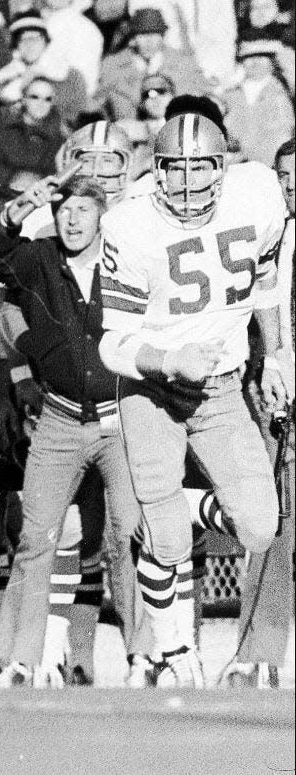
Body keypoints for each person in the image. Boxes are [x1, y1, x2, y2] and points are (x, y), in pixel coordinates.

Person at [98, 113, 288, 686]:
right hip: (151, 387)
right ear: (155, 172)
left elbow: (267, 281)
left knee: (260, 526)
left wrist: (275, 355)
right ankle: (177, 653)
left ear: (222, 167)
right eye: (174, 170)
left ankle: (184, 507)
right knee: (168, 540)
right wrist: (168, 359)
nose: (185, 183)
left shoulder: (256, 196)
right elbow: (113, 342)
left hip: (221, 386)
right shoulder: (130, 224)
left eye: (199, 167)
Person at [0, 174, 142, 687]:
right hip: (61, 416)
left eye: (83, 211)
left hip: (121, 417)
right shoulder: (40, 258)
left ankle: (144, 655)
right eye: (66, 210)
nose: (72, 220)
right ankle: (23, 659)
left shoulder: (126, 255)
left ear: (102, 216)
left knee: (127, 534)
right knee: (36, 537)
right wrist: (22, 204)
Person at [224, 137, 294, 689]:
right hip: (277, 398)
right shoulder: (265, 236)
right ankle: (259, 652)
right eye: (285, 175)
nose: (292, 184)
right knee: (278, 526)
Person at [97, 8, 210, 121]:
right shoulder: (113, 65)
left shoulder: (184, 62)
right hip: (130, 130)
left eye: (154, 34)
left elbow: (199, 98)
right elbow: (101, 104)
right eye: (143, 34)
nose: (149, 41)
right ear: (133, 38)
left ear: (162, 36)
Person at [222, 39, 294, 167]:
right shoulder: (230, 95)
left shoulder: (283, 92)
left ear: (272, 61)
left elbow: (282, 137)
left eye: (261, 56)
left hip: (270, 167)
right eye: (249, 57)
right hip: (235, 168)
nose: (255, 62)